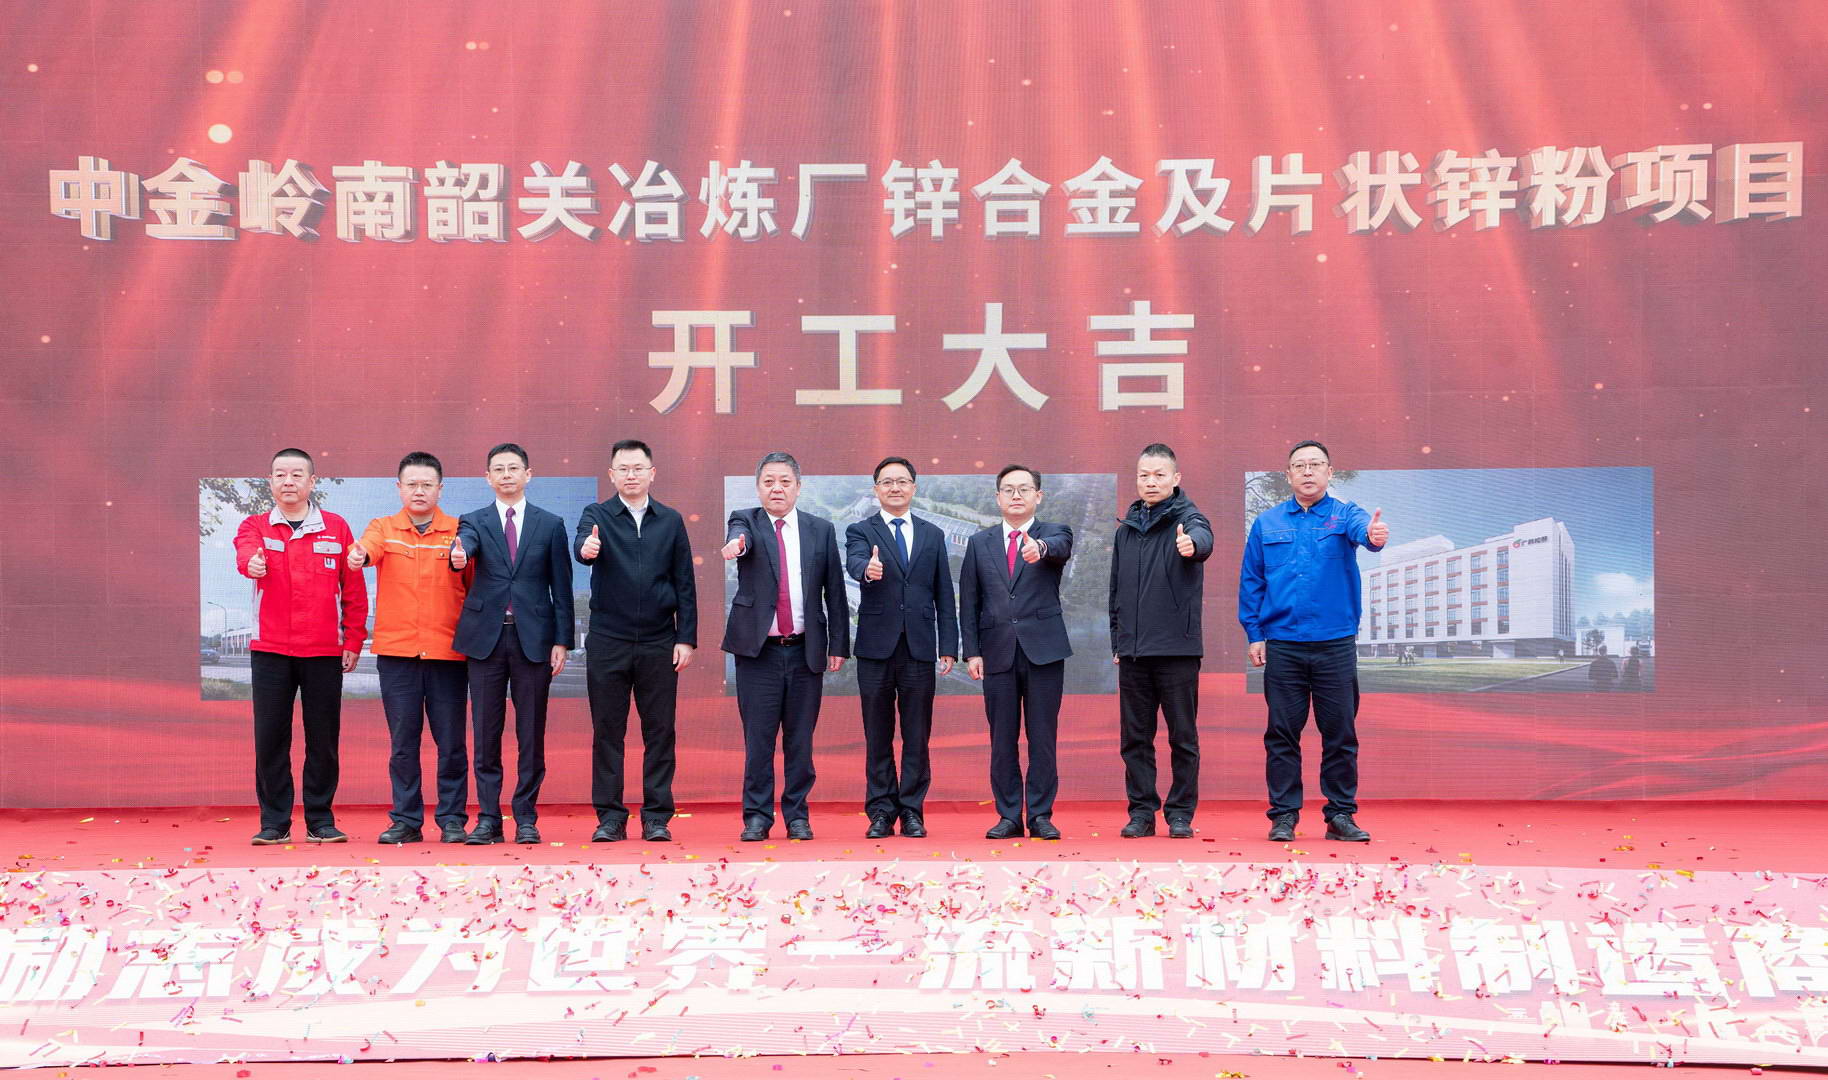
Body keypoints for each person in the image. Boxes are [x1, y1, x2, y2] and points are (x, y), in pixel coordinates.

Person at [1238, 440, 1388, 844]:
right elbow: (1252, 581)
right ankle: (1284, 816)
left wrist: (1374, 535)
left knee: (1339, 734)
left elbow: (1367, 534)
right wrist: (1255, 633)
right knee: (1282, 735)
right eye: (1299, 465)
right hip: (1283, 644)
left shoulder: (1345, 515)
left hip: (1334, 644)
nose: (1308, 471)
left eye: (1315, 464)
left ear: (1329, 472)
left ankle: (1340, 815)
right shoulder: (1267, 523)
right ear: (1288, 475)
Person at [232, 448, 367, 845]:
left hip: (323, 651)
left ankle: (320, 820)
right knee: (270, 738)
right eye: (280, 474)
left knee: (323, 739)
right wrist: (251, 564)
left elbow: (353, 589)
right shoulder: (256, 525)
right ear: (270, 482)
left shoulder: (336, 528)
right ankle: (274, 822)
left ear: (312, 481)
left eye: (296, 474)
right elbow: (245, 553)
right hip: (271, 650)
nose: (288, 481)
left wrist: (353, 639)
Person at [720, 452, 850, 842]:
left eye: (785, 481)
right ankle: (757, 817)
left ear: (798, 486)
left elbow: (835, 591)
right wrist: (736, 546)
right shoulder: (745, 521)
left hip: (805, 650)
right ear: (758, 487)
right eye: (769, 482)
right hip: (758, 652)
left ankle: (797, 816)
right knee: (758, 740)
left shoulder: (820, 529)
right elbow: (738, 540)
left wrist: (838, 644)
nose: (777, 488)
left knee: (800, 740)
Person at [449, 443, 575, 845]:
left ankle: (525, 817)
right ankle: (488, 818)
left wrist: (562, 640)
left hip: (533, 641)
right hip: (486, 640)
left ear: (527, 475)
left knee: (531, 733)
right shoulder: (473, 520)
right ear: (487, 478)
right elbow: (465, 545)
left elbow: (562, 586)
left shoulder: (550, 524)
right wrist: (459, 555)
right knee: (485, 733)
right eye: (498, 469)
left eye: (513, 468)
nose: (506, 475)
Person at [573, 439, 697, 844]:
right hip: (609, 640)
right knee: (607, 731)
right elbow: (582, 546)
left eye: (638, 468)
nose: (631, 475)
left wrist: (686, 637)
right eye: (623, 469)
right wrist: (587, 548)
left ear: (652, 473)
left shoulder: (670, 520)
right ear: (612, 475)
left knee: (660, 731)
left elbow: (684, 581)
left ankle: (657, 816)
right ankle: (610, 817)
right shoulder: (597, 515)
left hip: (659, 641)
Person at [349, 451, 472, 845]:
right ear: (399, 488)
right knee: (403, 744)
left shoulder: (460, 531)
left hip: (448, 654)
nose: (419, 491)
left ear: (440, 488)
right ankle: (405, 820)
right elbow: (368, 549)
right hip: (398, 654)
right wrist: (359, 555)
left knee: (451, 743)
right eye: (412, 484)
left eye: (427, 484)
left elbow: (476, 584)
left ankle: (452, 819)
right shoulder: (383, 528)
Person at [845, 456, 958, 839]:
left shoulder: (932, 534)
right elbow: (855, 562)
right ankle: (880, 811)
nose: (895, 487)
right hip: (876, 648)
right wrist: (867, 570)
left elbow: (944, 593)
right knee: (877, 734)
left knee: (917, 734)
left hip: (919, 648)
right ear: (876, 489)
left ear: (914, 487)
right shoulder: (861, 530)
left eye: (902, 481)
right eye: (887, 482)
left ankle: (912, 811)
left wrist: (949, 645)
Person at [959, 465, 1075, 841]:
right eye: (1008, 489)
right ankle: (1008, 815)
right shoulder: (980, 543)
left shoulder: (1055, 533)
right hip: (996, 653)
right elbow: (970, 602)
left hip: (1043, 652)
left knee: (1042, 738)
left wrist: (1039, 548)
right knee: (1002, 740)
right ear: (997, 497)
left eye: (1024, 489)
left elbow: (1060, 549)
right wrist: (972, 652)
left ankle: (1040, 814)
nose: (1016, 495)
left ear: (1038, 496)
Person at [1109, 443, 1212, 839]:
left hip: (1177, 651)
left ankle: (1180, 813)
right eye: (1144, 475)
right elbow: (1115, 591)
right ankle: (1142, 813)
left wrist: (1193, 545)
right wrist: (1118, 641)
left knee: (1183, 738)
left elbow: (1203, 537)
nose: (1150, 482)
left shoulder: (1189, 518)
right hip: (1133, 653)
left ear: (1175, 478)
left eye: (1159, 475)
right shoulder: (1126, 529)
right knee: (1135, 740)